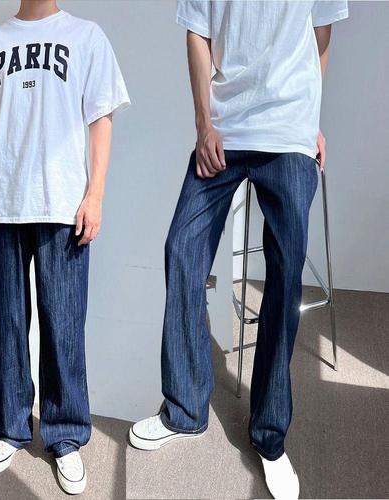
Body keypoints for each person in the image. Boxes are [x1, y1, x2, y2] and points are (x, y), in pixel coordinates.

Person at [129, 1, 347, 498]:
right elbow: (198, 33)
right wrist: (204, 124)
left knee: (285, 273)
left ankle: (270, 436)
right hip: (225, 129)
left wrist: (309, 118)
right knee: (182, 250)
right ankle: (184, 409)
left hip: (288, 131)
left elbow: (322, 33)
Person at [0, 0, 129, 494]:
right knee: (9, 321)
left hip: (64, 202)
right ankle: (11, 428)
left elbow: (101, 119)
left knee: (63, 324)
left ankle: (65, 436)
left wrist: (95, 196)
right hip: (5, 200)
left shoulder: (86, 37)